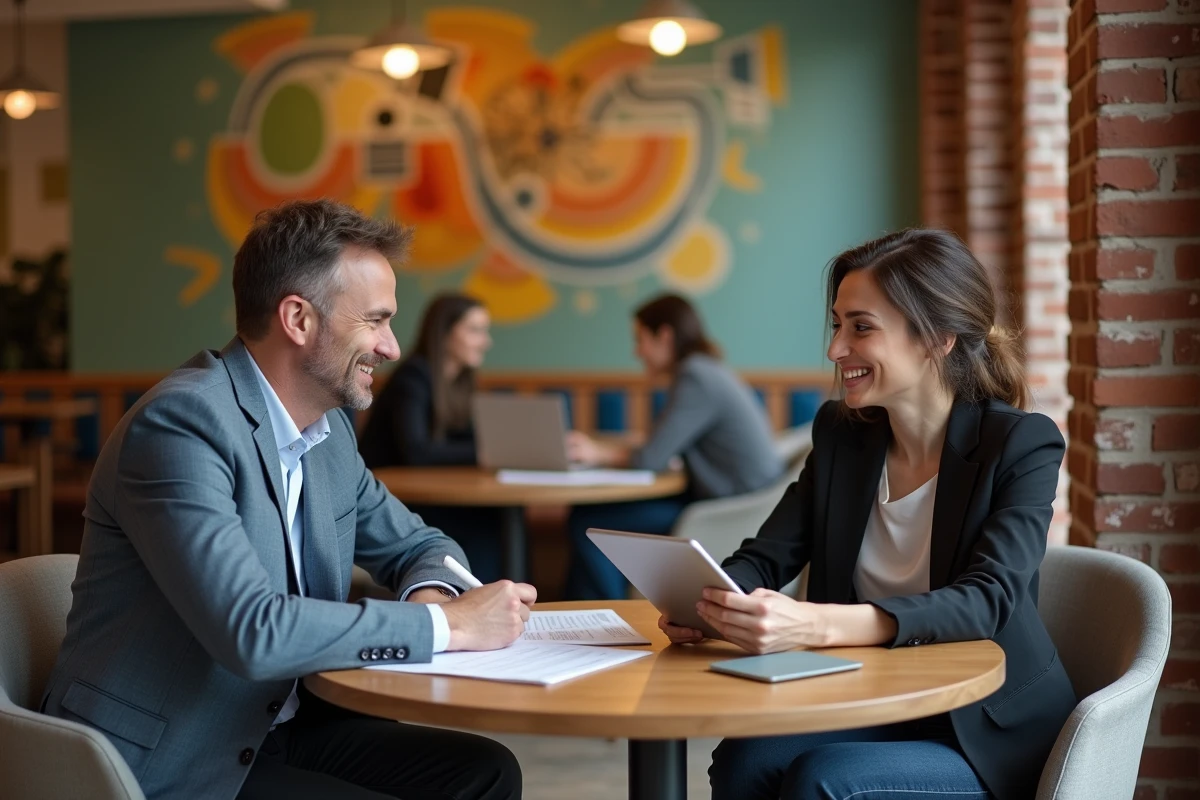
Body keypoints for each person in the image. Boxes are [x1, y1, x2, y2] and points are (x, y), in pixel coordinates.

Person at [41, 199, 535, 800]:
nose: (392, 347)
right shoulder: (180, 426)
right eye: (375, 321)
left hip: (282, 718)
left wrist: (431, 593)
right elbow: (252, 630)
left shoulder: (327, 436)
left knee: (487, 773)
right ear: (298, 319)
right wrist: (446, 625)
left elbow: (420, 544)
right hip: (173, 753)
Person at [663, 228, 1075, 800]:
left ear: (937, 339)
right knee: (744, 759)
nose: (835, 349)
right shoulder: (841, 435)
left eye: (861, 327)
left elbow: (989, 599)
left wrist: (817, 624)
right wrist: (717, 600)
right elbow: (768, 553)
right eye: (837, 324)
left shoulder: (1022, 443)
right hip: (871, 695)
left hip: (983, 727)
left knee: (824, 779)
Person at [564, 293, 784, 600]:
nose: (637, 352)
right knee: (591, 517)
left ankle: (603, 618)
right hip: (735, 497)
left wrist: (596, 452)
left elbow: (650, 458)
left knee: (588, 521)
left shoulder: (695, 377)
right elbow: (664, 443)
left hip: (728, 507)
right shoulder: (705, 370)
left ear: (664, 335)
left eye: (640, 340)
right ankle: (589, 615)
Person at [359, 293, 505, 582]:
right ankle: (478, 601)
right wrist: (482, 454)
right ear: (444, 332)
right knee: (485, 524)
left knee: (495, 518)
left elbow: (464, 438)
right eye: (475, 330)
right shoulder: (412, 378)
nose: (485, 341)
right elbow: (418, 452)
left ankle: (500, 599)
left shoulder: (458, 382)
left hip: (424, 497)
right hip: (392, 502)